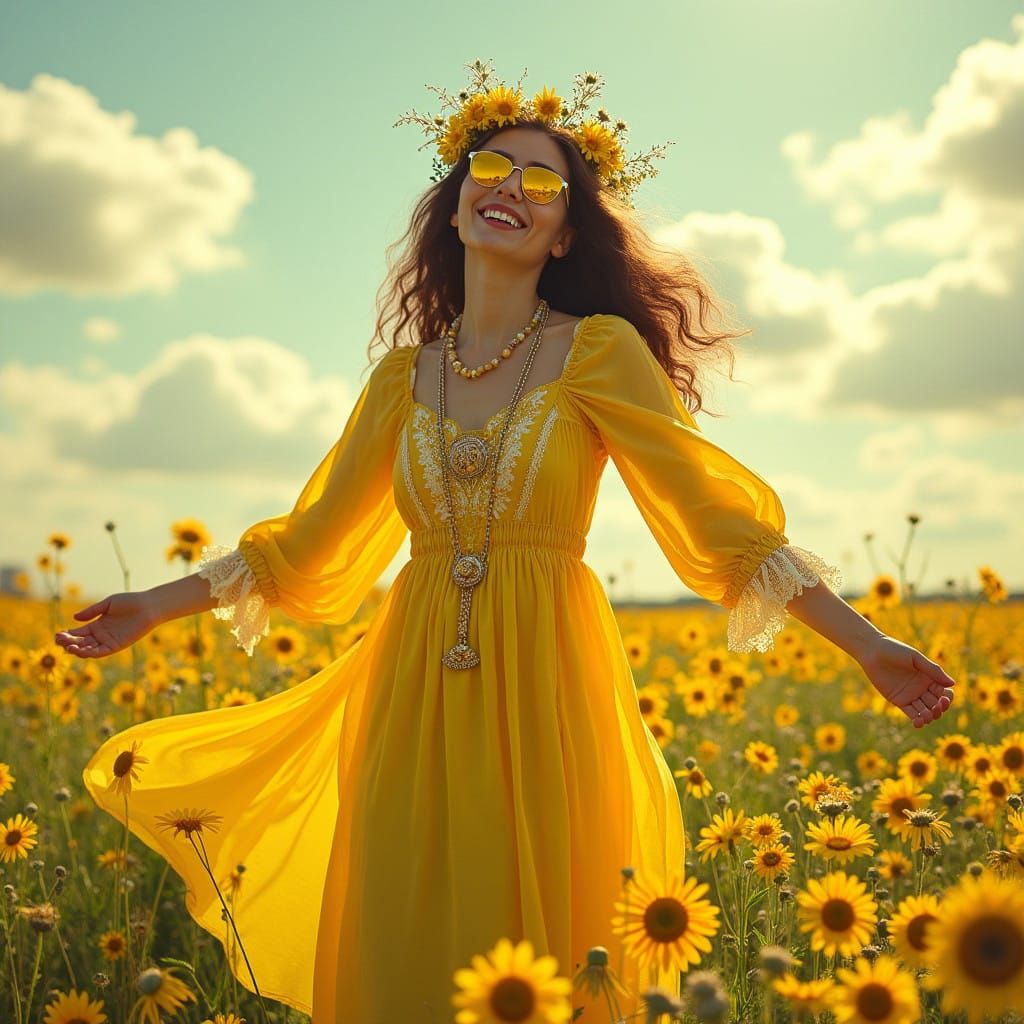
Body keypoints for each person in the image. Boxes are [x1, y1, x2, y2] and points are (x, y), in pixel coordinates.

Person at [56, 63, 955, 1023]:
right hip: (409, 695)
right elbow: (304, 547)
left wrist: (869, 645)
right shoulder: (401, 381)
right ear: (453, 207)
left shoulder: (598, 351)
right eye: (492, 168)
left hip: (549, 687)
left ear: (566, 232)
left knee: (548, 950)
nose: (510, 190)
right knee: (406, 932)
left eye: (541, 183)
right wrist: (155, 604)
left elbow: (719, 528)